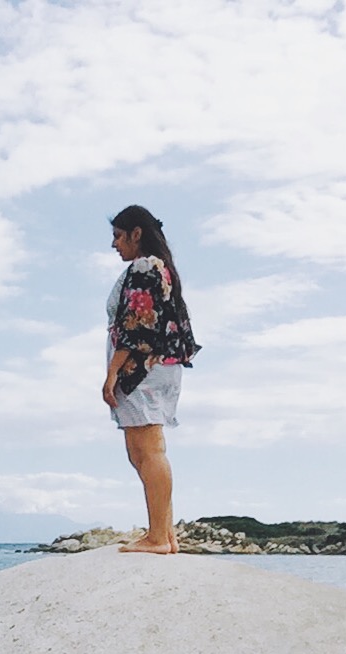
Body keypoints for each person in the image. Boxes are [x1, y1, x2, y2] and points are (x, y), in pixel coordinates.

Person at [102, 205, 200, 554]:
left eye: (118, 236)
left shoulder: (144, 266)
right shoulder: (160, 267)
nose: (114, 244)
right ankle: (165, 534)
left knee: (147, 450)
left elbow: (137, 323)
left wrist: (112, 372)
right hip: (159, 365)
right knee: (144, 450)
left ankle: (158, 536)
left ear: (136, 233)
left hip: (144, 367)